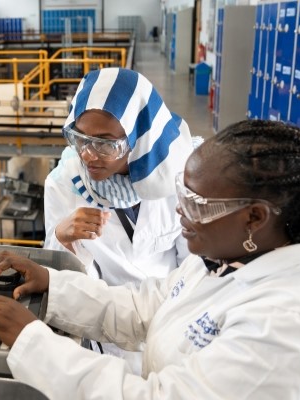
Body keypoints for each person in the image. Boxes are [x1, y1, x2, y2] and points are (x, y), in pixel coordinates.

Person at [0, 120, 300, 399]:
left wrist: (33, 343)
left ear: (255, 217)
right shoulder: (230, 254)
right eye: (181, 192)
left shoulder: (289, 328)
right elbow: (146, 306)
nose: (180, 212)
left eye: (196, 203)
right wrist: (54, 286)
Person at [43, 67, 194, 370]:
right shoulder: (64, 183)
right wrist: (62, 237)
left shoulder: (178, 178)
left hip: (171, 320)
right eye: (80, 139)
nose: (87, 155)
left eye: (105, 143)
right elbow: (61, 274)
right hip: (105, 330)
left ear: (139, 137)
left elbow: (194, 266)